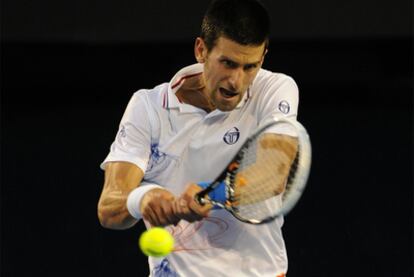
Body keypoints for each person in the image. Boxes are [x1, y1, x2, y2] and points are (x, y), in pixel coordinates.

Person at [98, 0, 299, 276]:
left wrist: (211, 192)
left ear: (263, 57)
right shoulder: (148, 107)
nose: (236, 81)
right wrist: (143, 198)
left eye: (250, 67)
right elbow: (110, 207)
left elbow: (273, 173)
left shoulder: (276, 89)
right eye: (227, 63)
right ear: (201, 50)